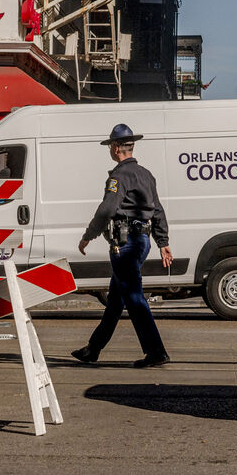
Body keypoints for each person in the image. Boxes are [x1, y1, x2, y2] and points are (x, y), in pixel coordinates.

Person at [72, 123, 173, 368]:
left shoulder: (119, 176)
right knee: (117, 299)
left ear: (116, 148)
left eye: (110, 146)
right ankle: (93, 349)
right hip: (142, 241)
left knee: (135, 298)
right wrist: (162, 242)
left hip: (125, 243)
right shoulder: (146, 174)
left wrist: (88, 235)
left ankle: (156, 352)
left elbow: (107, 209)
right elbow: (157, 210)